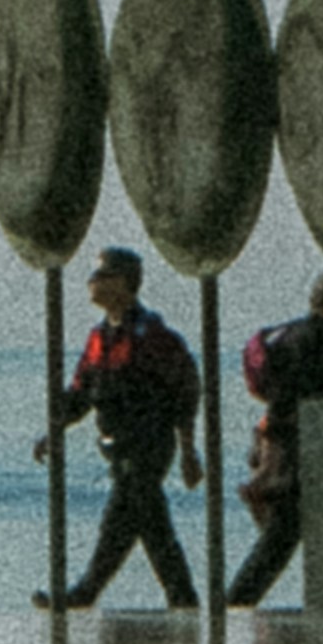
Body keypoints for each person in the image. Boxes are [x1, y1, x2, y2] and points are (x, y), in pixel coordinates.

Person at [37, 243, 201, 611]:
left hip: (149, 444)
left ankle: (87, 594)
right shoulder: (98, 338)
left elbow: (185, 391)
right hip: (117, 446)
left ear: (125, 283)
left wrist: (188, 450)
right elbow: (81, 393)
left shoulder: (151, 336)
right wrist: (54, 431)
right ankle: (180, 599)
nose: (92, 282)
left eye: (102, 275)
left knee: (130, 517)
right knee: (138, 526)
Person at [225, 260, 323, 604]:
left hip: (294, 453)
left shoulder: (294, 334)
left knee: (284, 540)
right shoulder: (315, 343)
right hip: (298, 458)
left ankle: (237, 605)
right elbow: (286, 403)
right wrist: (269, 467)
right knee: (284, 541)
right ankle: (235, 605)